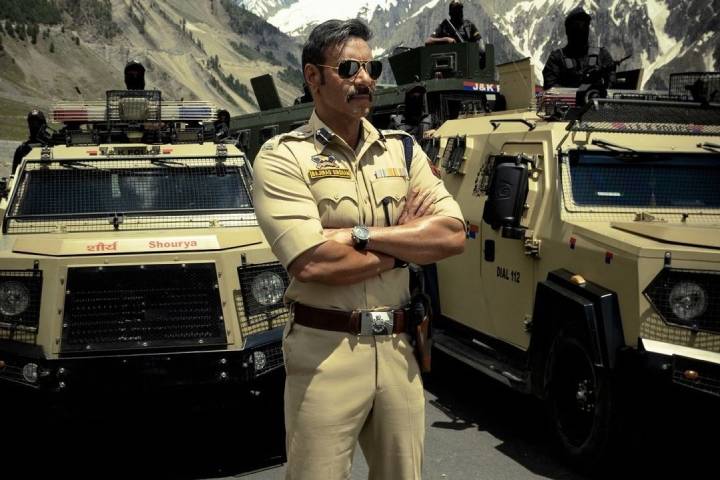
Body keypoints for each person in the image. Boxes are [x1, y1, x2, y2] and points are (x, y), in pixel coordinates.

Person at [253, 18, 465, 480]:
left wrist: (360, 236)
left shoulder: (402, 151)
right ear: (314, 77)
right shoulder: (283, 156)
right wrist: (407, 243)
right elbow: (313, 262)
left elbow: (451, 234)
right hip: (325, 353)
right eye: (349, 68)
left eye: (373, 68)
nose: (365, 79)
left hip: (399, 351)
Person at [542, 6, 615, 89]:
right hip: (567, 98)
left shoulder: (602, 55)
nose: (581, 28)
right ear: (568, 31)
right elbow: (551, 88)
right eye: (577, 26)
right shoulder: (557, 58)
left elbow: (612, 86)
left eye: (584, 25)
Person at [12, 109, 47, 173]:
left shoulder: (52, 146)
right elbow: (14, 173)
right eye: (32, 123)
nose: (34, 125)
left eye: (37, 123)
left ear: (43, 125)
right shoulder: (22, 149)